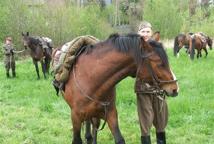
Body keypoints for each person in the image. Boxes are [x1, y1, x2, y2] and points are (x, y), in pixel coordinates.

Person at [135, 21, 167, 144]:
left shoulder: (159, 46)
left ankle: (161, 142)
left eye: (148, 31)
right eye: (143, 31)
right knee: (145, 119)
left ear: (151, 32)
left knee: (161, 118)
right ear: (139, 33)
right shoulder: (135, 48)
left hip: (159, 88)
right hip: (143, 88)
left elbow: (165, 66)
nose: (146, 34)